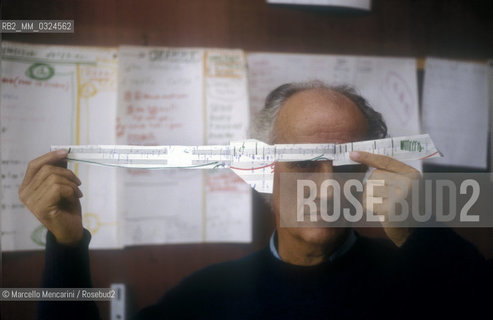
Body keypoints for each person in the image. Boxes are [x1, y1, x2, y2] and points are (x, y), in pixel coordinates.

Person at [19, 81, 489, 319]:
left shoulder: (429, 278)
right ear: (266, 173)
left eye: (346, 167)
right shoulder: (203, 300)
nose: (326, 188)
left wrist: (422, 231)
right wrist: (65, 248)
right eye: (304, 163)